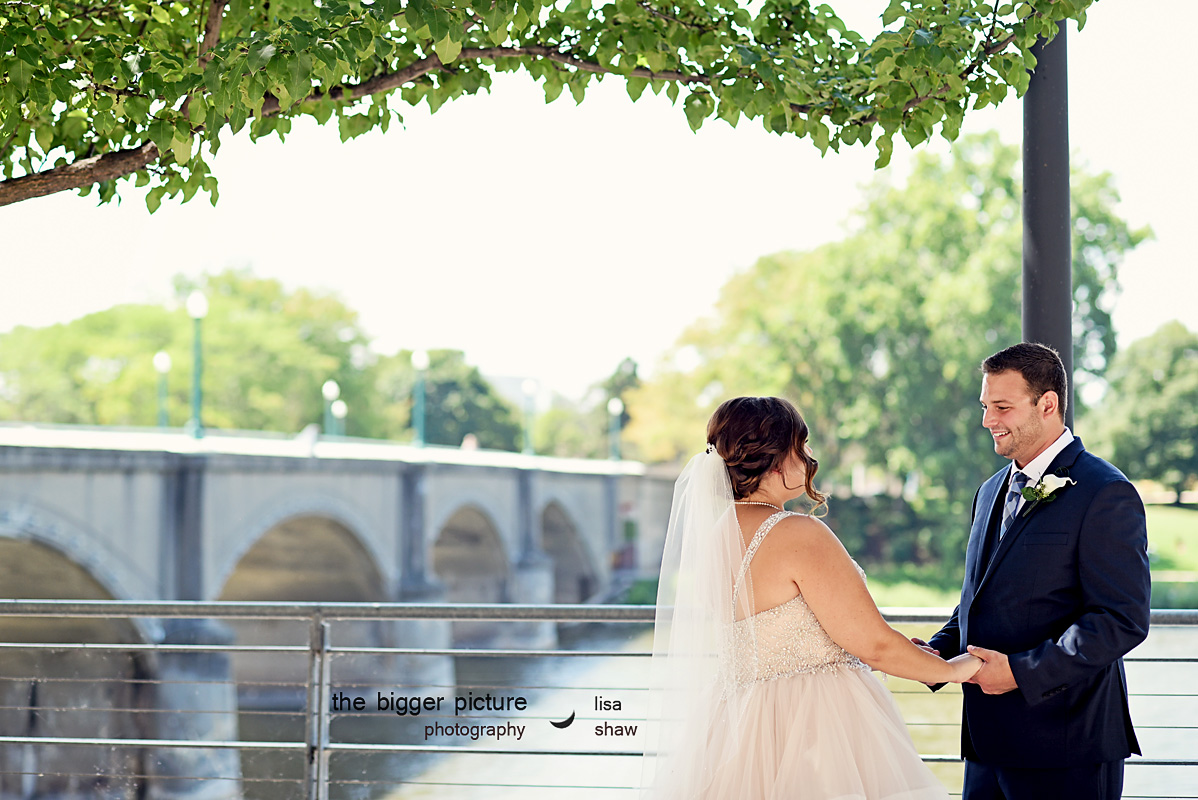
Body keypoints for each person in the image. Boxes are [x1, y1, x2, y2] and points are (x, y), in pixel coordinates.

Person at [641, 396, 981, 800]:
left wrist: (897, 653)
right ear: (776, 460)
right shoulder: (797, 532)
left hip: (741, 724)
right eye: (801, 445)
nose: (809, 456)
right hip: (817, 727)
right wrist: (955, 669)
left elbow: (801, 634)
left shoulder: (716, 537)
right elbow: (874, 644)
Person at [921, 342, 1151, 799]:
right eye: (985, 406)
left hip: (1066, 748)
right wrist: (936, 655)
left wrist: (1019, 672)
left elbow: (1120, 620)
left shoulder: (1106, 492)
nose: (988, 420)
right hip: (985, 747)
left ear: (1047, 404)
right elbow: (980, 598)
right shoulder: (989, 490)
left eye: (1002, 407)